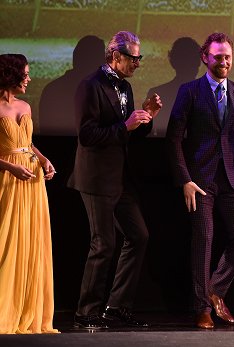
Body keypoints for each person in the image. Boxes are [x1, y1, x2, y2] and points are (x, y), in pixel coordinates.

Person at [67, 31, 162, 330]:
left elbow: (130, 134)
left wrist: (147, 116)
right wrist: (126, 125)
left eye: (139, 57)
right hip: (96, 177)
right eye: (133, 58)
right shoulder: (90, 86)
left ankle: (115, 307)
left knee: (139, 236)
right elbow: (87, 135)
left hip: (120, 177)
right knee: (103, 243)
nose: (137, 63)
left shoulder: (125, 87)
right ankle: (86, 313)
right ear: (115, 56)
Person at [166, 32, 234, 329]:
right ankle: (202, 308)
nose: (224, 61)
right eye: (218, 56)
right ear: (206, 58)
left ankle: (215, 291)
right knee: (203, 241)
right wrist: (184, 180)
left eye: (227, 56)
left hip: (231, 178)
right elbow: (174, 138)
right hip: (200, 180)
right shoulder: (189, 91)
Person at [0, 53, 59, 334]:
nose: (29, 78)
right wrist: (8, 166)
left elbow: (28, 143)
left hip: (31, 181)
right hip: (7, 181)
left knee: (31, 243)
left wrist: (44, 159)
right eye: (24, 73)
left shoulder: (25, 105)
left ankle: (26, 311)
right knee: (7, 243)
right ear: (10, 75)